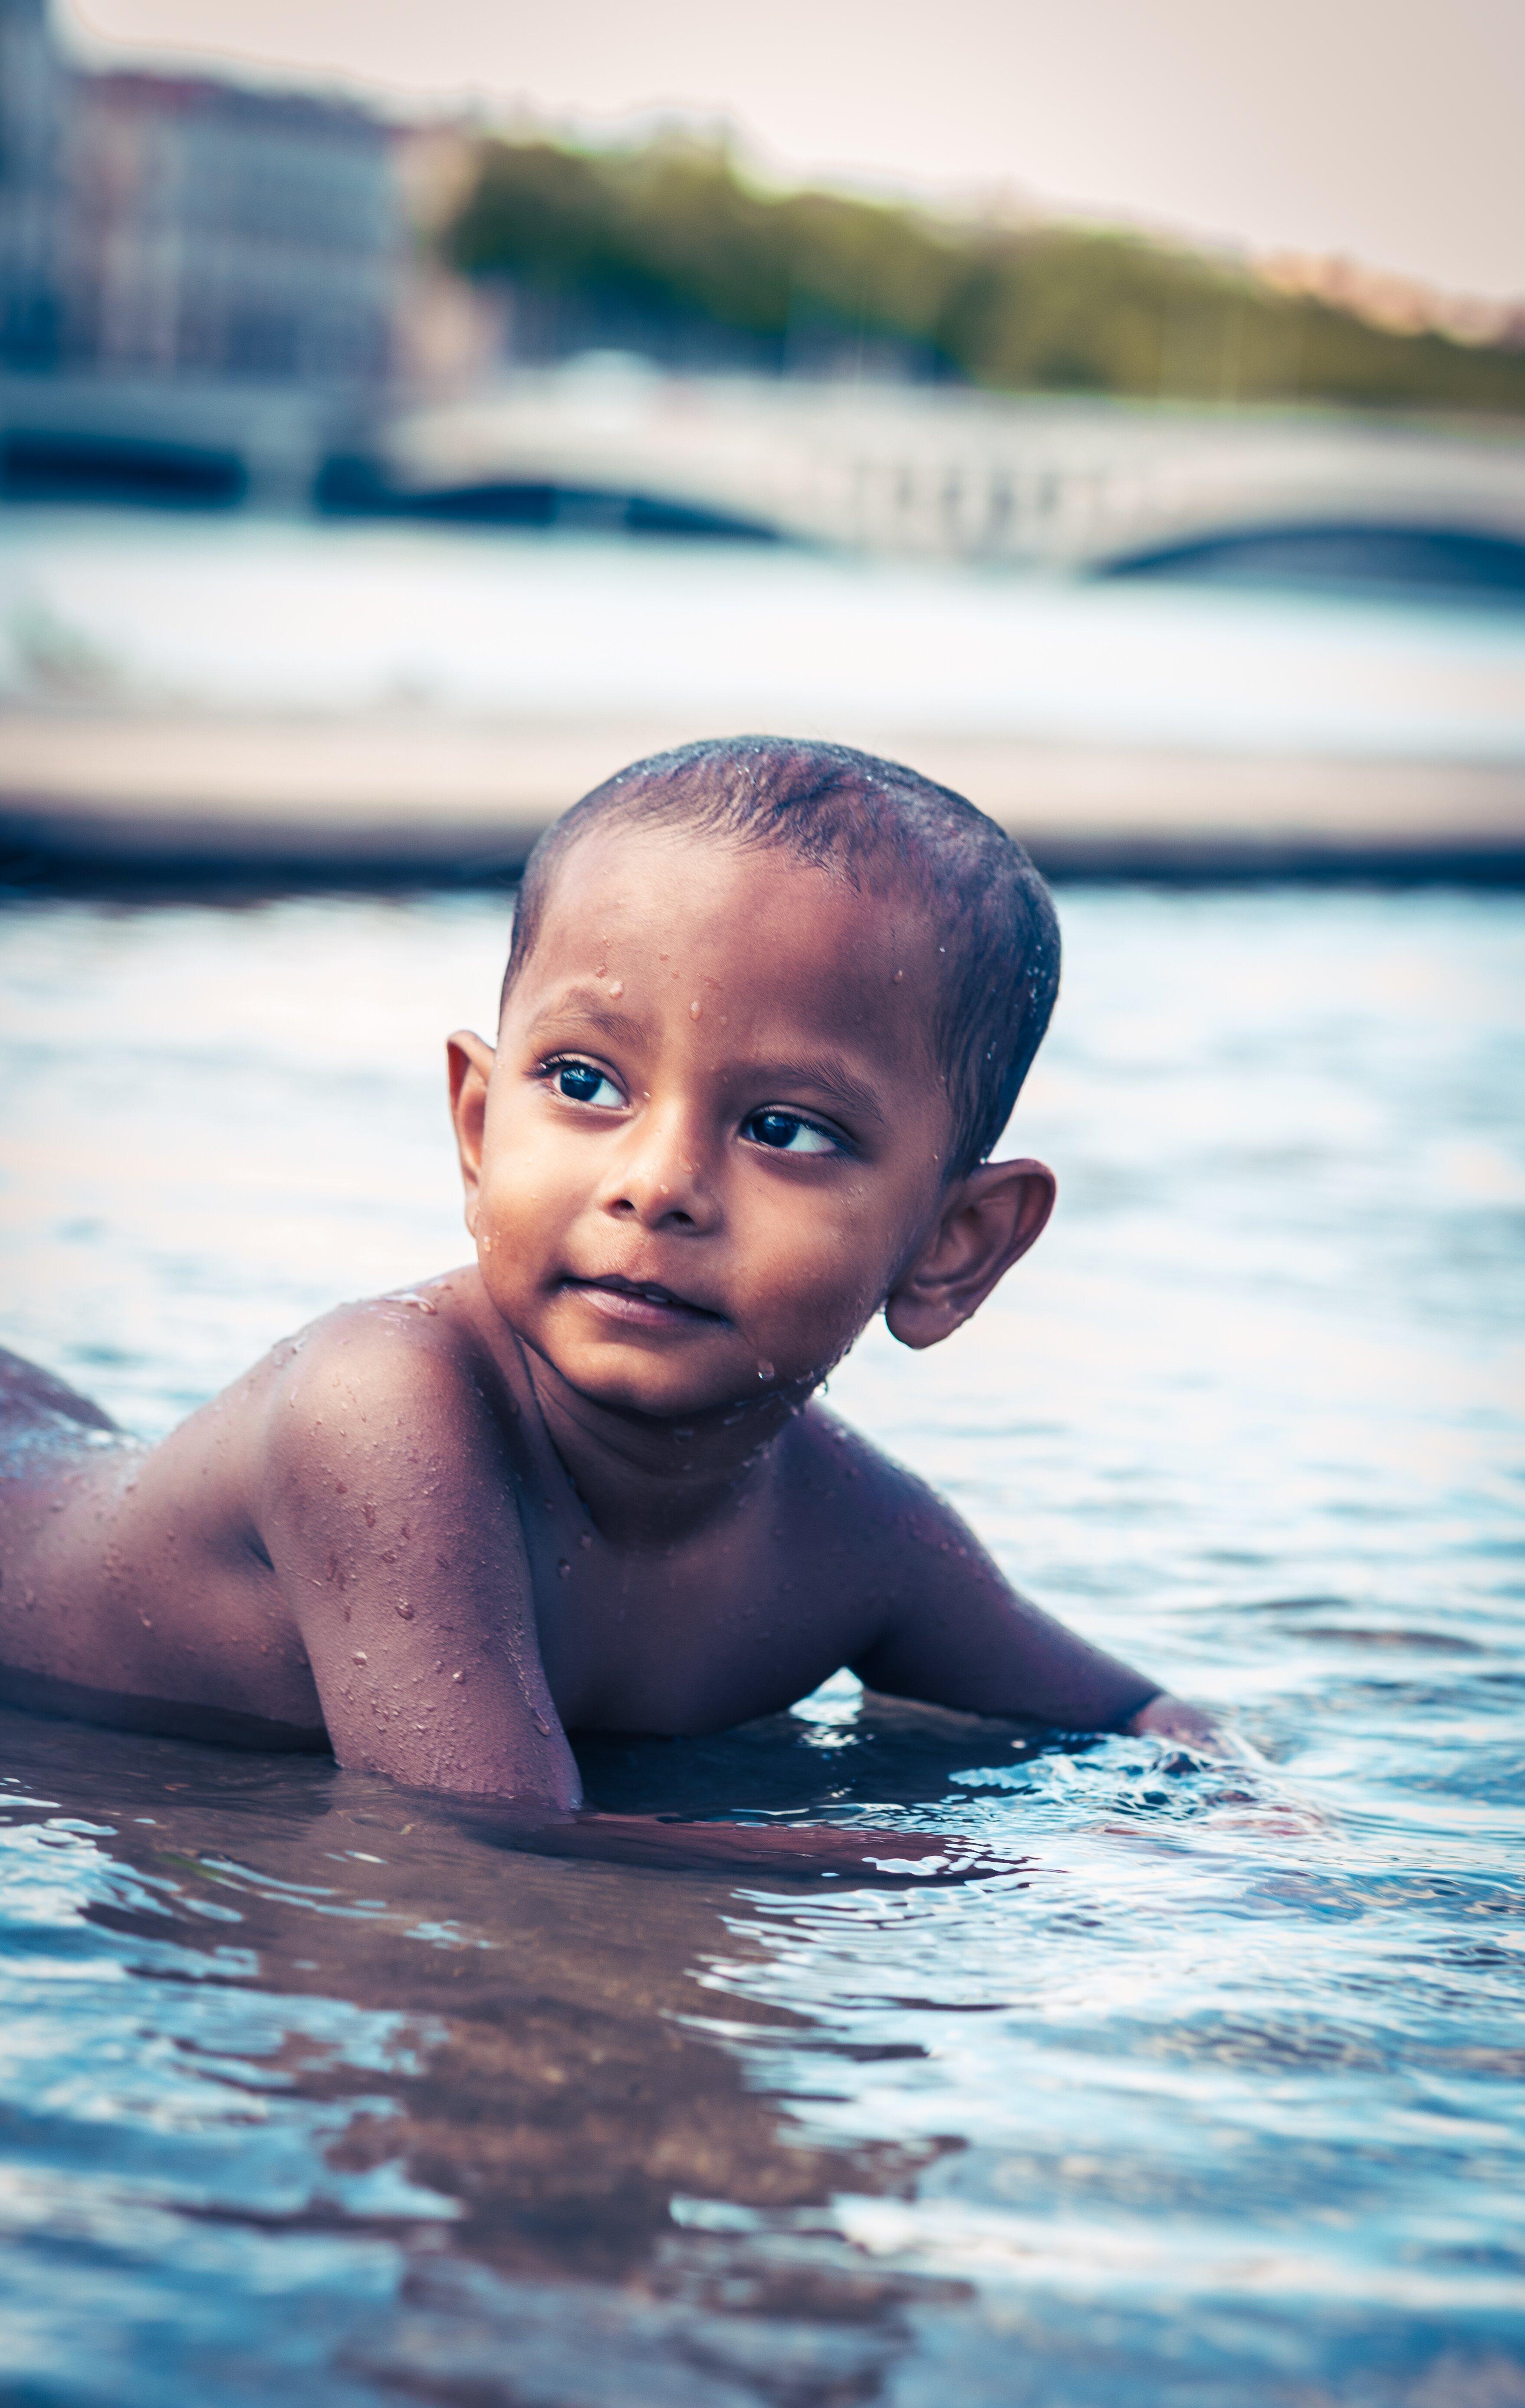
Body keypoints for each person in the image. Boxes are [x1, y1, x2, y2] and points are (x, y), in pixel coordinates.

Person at [0, 738, 1219, 1877]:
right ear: (479, 1126)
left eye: (783, 1128)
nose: (656, 1184)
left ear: (954, 1247)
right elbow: (489, 1842)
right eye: (584, 1083)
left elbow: (1133, 1716)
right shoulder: (380, 1408)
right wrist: (944, 1872)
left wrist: (1248, 1826)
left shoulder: (859, 1536)